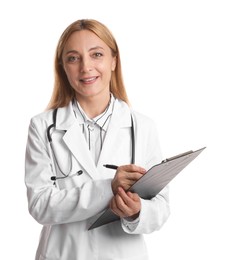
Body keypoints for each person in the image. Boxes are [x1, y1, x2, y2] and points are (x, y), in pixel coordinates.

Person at [25, 19, 170, 260]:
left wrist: (137, 212)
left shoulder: (142, 127)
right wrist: (107, 188)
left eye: (97, 54)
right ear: (62, 66)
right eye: (73, 58)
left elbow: (161, 209)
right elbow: (40, 205)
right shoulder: (43, 127)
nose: (86, 67)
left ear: (114, 61)